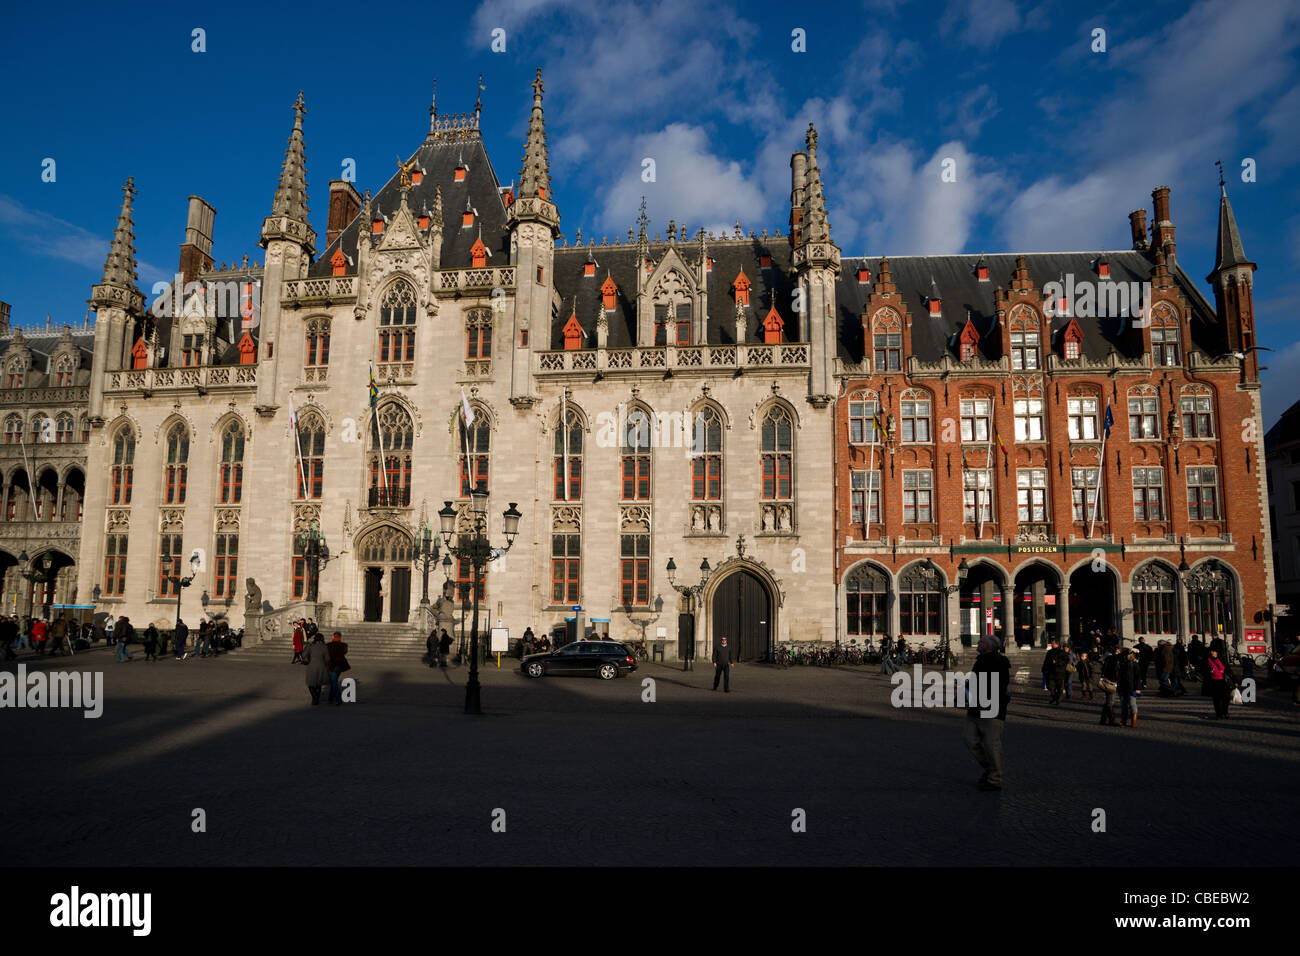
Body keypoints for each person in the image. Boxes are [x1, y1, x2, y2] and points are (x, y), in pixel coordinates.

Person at [964, 635, 1010, 791]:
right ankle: (990, 769)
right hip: (975, 709)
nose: (978, 643)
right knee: (970, 740)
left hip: (992, 709)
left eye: (981, 642)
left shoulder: (999, 662)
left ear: (989, 646)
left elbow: (997, 686)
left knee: (991, 745)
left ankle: (995, 778)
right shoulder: (980, 660)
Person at [1204, 648, 1233, 719]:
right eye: (1211, 651)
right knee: (1217, 699)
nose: (1212, 652)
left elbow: (1228, 670)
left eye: (1214, 651)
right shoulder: (1207, 660)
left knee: (1226, 698)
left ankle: (1225, 712)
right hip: (1214, 682)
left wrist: (1235, 681)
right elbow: (1203, 670)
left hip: (1223, 681)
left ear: (1217, 652)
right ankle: (1219, 714)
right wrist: (1209, 671)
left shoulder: (1221, 659)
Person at [303, 631, 329, 706]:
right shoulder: (325, 647)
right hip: (321, 666)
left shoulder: (310, 646)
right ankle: (316, 698)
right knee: (318, 684)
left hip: (311, 666)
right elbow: (327, 659)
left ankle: (314, 698)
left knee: (310, 683)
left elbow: (304, 655)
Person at [327, 632, 351, 705]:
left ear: (333, 636)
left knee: (333, 682)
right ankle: (331, 697)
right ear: (340, 637)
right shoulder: (343, 645)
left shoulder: (328, 645)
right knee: (333, 680)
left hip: (331, 665)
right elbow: (345, 652)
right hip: (339, 665)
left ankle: (338, 699)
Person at [1098, 649, 1121, 726]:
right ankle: (1112, 720)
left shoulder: (1109, 658)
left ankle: (1103, 719)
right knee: (1110, 702)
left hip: (1109, 681)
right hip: (1111, 682)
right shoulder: (1113, 659)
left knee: (1109, 701)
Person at [1118, 648, 1139, 727]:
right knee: (1123, 704)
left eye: (1129, 655)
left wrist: (1137, 688)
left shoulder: (1134, 664)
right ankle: (1124, 720)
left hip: (1132, 687)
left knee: (1132, 703)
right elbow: (1119, 676)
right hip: (1123, 687)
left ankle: (1134, 721)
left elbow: (1137, 677)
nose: (1128, 656)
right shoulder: (1121, 663)